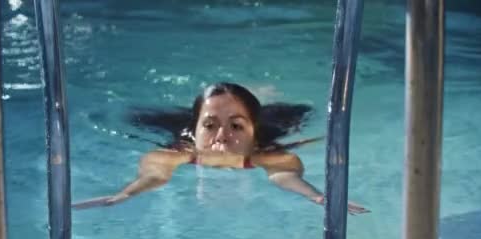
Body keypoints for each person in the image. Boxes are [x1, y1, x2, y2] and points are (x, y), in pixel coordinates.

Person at [73, 82, 369, 214]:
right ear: (198, 127)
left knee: (292, 113)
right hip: (180, 125)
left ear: (253, 134)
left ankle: (257, 95)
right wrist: (123, 195)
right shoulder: (178, 150)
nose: (222, 137)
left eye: (236, 127)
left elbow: (284, 176)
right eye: (211, 125)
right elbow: (155, 175)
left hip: (266, 123)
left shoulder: (267, 151)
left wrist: (316, 196)